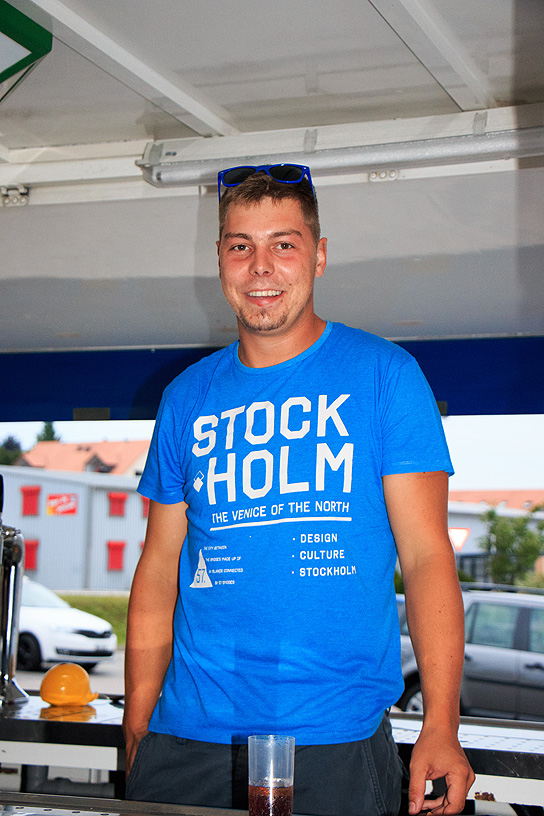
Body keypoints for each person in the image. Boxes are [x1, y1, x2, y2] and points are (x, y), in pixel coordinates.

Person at [123, 163, 474, 816]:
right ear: (220, 259)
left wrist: (441, 724)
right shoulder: (185, 397)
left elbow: (427, 556)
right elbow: (160, 565)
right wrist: (139, 719)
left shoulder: (385, 376)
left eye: (283, 244)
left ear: (319, 255)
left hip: (334, 742)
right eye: (240, 246)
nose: (260, 267)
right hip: (186, 741)